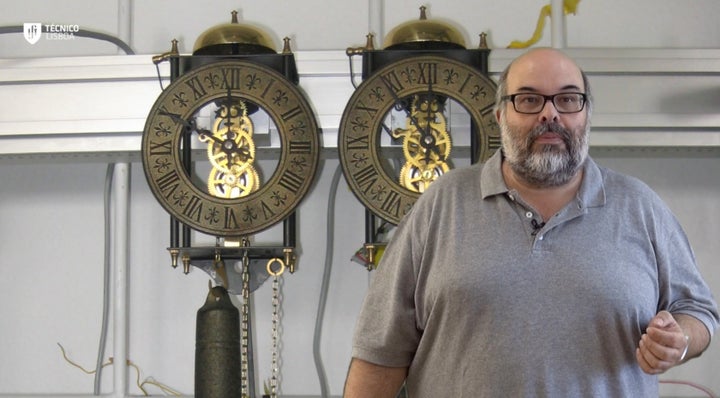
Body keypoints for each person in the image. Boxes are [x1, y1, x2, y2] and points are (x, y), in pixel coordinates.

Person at [343, 48, 719, 397]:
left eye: (568, 99)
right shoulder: (441, 204)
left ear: (586, 115)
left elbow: (698, 310)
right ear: (500, 116)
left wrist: (680, 339)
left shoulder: (640, 207)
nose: (549, 114)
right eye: (528, 99)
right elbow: (380, 352)